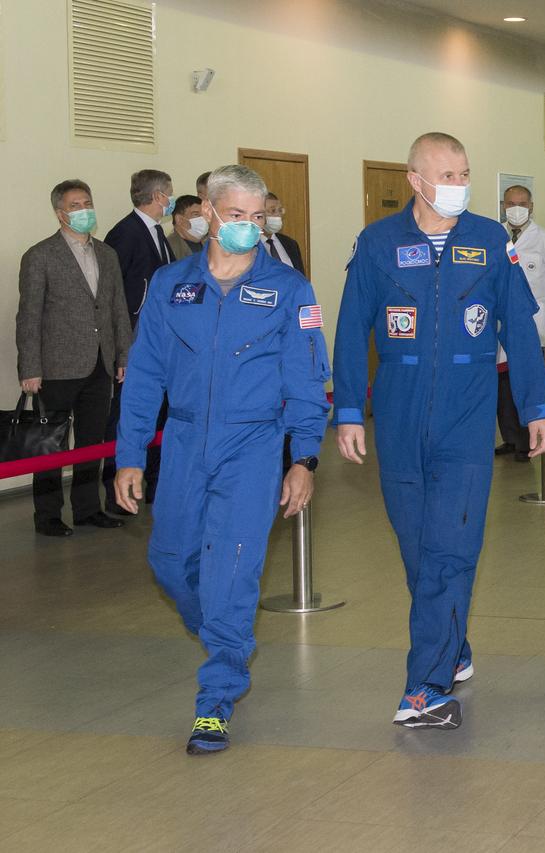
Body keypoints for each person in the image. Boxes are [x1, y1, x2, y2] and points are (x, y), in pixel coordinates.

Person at [332, 132, 545, 731]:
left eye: (464, 172)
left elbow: (522, 329)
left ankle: (424, 688)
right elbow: (352, 330)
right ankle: (451, 645)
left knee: (451, 551)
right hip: (399, 415)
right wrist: (349, 409)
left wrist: (538, 405)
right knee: (418, 550)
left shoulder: (488, 240)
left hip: (468, 413)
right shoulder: (378, 244)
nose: (458, 183)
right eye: (447, 173)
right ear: (415, 179)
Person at [114, 164, 330, 755]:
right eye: (237, 216)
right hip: (183, 444)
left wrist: (303, 458)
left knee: (232, 571)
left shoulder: (288, 290)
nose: (249, 228)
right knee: (170, 561)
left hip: (253, 446)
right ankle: (222, 636)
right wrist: (129, 454)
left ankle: (215, 699)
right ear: (207, 214)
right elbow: (145, 377)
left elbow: (308, 380)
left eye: (257, 218)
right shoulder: (170, 285)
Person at [16, 179, 132, 536]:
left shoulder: (106, 254)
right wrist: (30, 368)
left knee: (91, 441)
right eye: (75, 205)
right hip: (56, 367)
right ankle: (48, 515)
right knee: (50, 445)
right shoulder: (40, 255)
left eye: (87, 202)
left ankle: (87, 509)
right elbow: (29, 316)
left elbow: (117, 309)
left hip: (100, 363)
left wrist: (123, 355)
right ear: (60, 213)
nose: (84, 210)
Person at [103, 169, 175, 508]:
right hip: (134, 343)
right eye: (169, 193)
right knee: (124, 417)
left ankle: (156, 485)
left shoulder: (158, 233)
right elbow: (116, 298)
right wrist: (123, 352)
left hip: (160, 341)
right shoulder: (126, 233)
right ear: (159, 195)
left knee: (161, 417)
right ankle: (118, 490)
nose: (170, 199)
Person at [495, 183, 545, 461]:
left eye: (522, 204)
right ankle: (510, 438)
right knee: (502, 384)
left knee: (525, 381)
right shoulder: (493, 236)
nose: (516, 209)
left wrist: (541, 315)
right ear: (503, 205)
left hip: (531, 322)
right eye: (511, 203)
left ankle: (527, 441)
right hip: (499, 322)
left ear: (531, 206)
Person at [261, 192, 305, 276]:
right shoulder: (251, 246)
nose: (278, 215)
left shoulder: (290, 244)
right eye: (272, 211)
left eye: (280, 210)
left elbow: (300, 277)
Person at [168, 195, 208, 261]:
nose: (203, 219)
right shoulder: (169, 248)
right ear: (179, 219)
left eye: (204, 214)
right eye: (196, 214)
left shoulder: (207, 241)